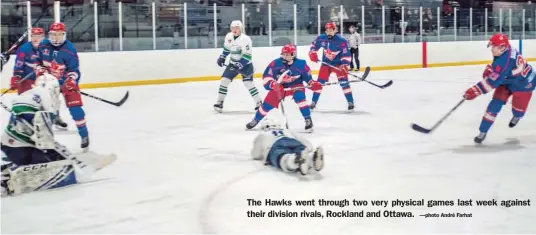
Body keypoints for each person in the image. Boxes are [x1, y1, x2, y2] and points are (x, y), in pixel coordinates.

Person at [1, 75, 116, 196]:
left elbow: (38, 132)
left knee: (50, 155)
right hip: (20, 149)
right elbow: (46, 142)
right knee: (52, 163)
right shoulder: (47, 98)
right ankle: (7, 179)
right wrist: (61, 157)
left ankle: (6, 171)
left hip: (7, 145)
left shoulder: (27, 95)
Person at [463, 33, 535, 143]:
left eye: (494, 46)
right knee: (494, 105)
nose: (492, 49)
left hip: (524, 83)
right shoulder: (506, 49)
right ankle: (483, 132)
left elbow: (491, 83)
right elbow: (500, 70)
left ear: (502, 47)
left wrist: (474, 91)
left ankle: (517, 116)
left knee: (518, 110)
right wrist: (492, 69)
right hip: (507, 80)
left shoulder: (503, 62)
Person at [246, 44, 322, 132]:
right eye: (284, 54)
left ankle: (308, 119)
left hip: (296, 86)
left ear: (293, 55)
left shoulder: (302, 64)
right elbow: (266, 77)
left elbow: (308, 79)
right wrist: (274, 84)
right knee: (267, 105)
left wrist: (313, 84)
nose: (285, 57)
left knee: (300, 97)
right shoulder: (275, 63)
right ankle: (256, 120)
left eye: (287, 54)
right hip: (279, 87)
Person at [37, 22, 89, 150]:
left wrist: (71, 80)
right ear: (49, 35)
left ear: (64, 35)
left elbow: (74, 69)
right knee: (44, 110)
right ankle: (45, 139)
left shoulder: (69, 48)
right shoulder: (43, 45)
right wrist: (40, 69)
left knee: (76, 109)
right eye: (53, 35)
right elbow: (38, 62)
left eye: (59, 35)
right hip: (50, 82)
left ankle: (84, 135)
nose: (56, 38)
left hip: (66, 82)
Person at [214, 20, 263, 112]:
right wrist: (222, 57)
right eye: (233, 28)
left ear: (241, 29)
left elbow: (247, 56)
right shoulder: (229, 36)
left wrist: (239, 64)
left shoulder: (246, 39)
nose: (235, 30)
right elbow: (227, 48)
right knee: (224, 80)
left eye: (237, 28)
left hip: (246, 65)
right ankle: (219, 102)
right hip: (233, 63)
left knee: (248, 83)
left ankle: (259, 102)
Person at [251, 118, 324, 176]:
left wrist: (261, 155)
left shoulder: (263, 134)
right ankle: (311, 159)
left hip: (276, 145)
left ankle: (295, 160)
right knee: (300, 149)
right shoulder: (286, 131)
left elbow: (255, 154)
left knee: (281, 155)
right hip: (291, 140)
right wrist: (307, 147)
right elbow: (301, 139)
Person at [309, 22, 354, 110]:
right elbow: (314, 45)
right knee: (319, 83)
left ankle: (350, 101)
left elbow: (346, 54)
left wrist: (345, 64)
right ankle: (314, 102)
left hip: (338, 65)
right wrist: (312, 53)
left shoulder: (341, 40)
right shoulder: (321, 38)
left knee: (344, 83)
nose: (329, 32)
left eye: (331, 30)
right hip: (326, 64)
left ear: (335, 30)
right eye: (327, 30)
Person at [10, 27, 46, 94]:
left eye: (38, 36)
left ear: (43, 37)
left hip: (42, 81)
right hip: (27, 80)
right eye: (33, 36)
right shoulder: (24, 49)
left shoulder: (47, 48)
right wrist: (16, 77)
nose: (36, 39)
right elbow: (19, 65)